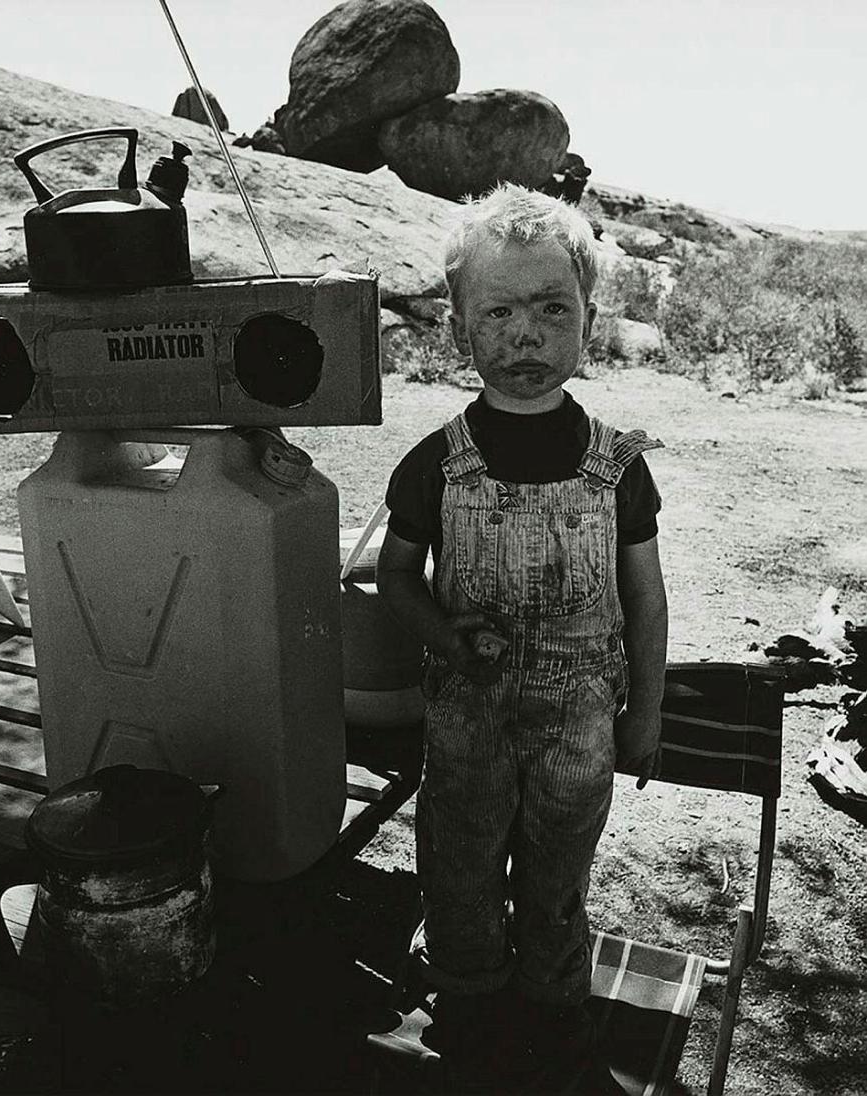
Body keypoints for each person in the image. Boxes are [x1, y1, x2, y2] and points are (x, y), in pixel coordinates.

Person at [376, 184, 667, 1093]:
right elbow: (393, 578)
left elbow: (646, 603)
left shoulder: (617, 467)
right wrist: (451, 643)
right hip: (466, 723)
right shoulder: (434, 463)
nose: (527, 334)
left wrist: (646, 714)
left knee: (556, 880)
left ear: (588, 321)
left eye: (553, 309)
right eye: (498, 311)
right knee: (459, 871)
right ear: (462, 330)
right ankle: (469, 1005)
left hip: (581, 727)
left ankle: (552, 1010)